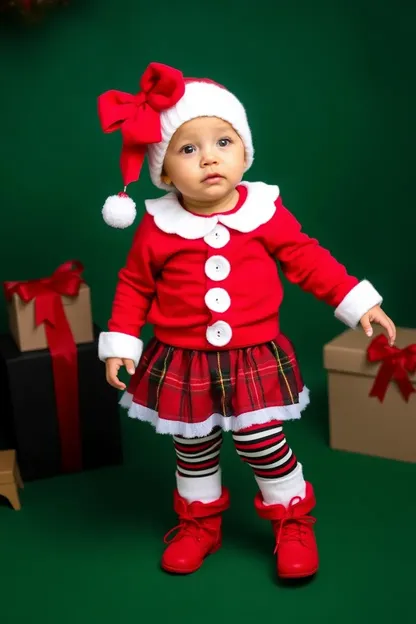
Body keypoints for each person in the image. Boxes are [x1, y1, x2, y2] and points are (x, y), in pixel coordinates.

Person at [96, 62, 396, 580]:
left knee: (263, 443)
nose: (209, 157)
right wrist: (122, 341)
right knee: (193, 447)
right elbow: (134, 285)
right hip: (182, 359)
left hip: (252, 356)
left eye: (223, 142)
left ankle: (293, 520)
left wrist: (354, 299)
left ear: (245, 151)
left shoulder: (263, 211)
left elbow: (306, 258)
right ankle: (199, 524)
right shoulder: (158, 226)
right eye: (188, 149)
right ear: (165, 172)